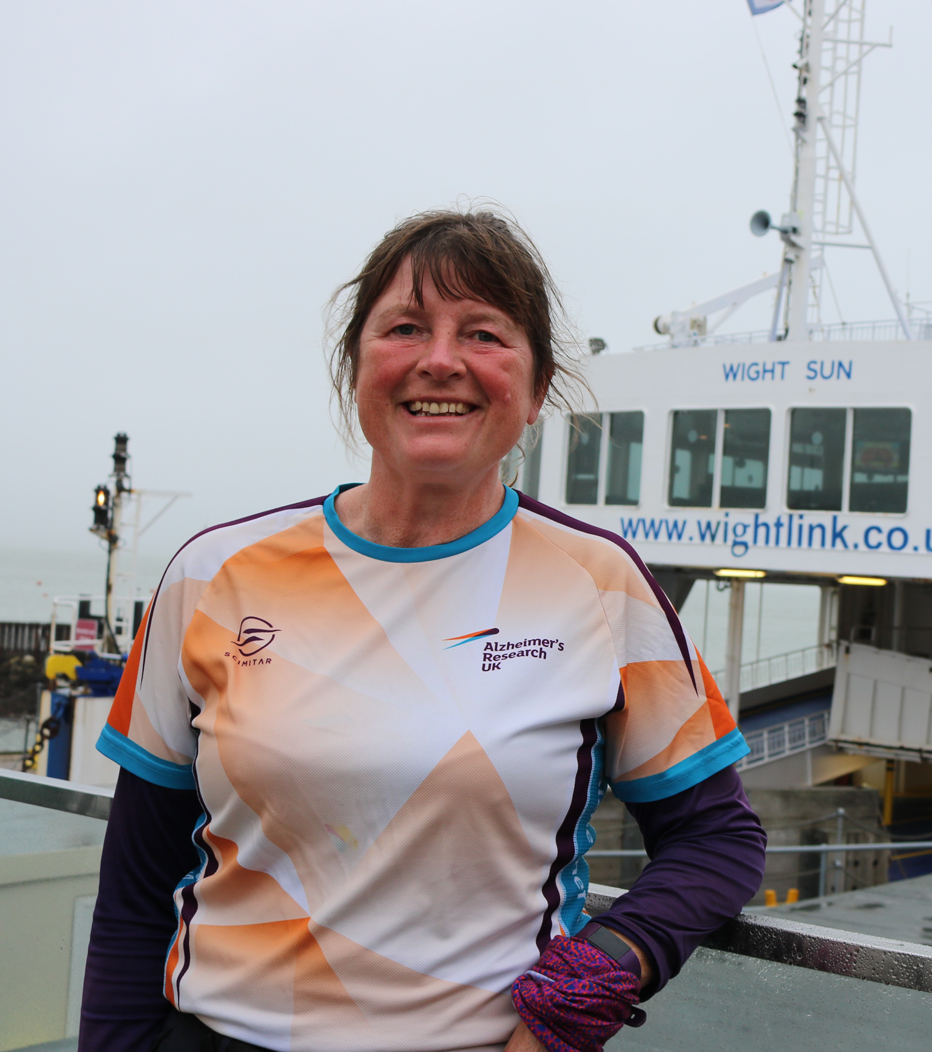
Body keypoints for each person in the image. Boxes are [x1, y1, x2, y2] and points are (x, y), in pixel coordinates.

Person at [80, 210, 767, 1052]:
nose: (441, 360)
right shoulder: (211, 573)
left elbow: (717, 838)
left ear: (538, 384)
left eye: (483, 333)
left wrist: (599, 974)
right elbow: (137, 885)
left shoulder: (602, 582)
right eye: (405, 328)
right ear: (358, 365)